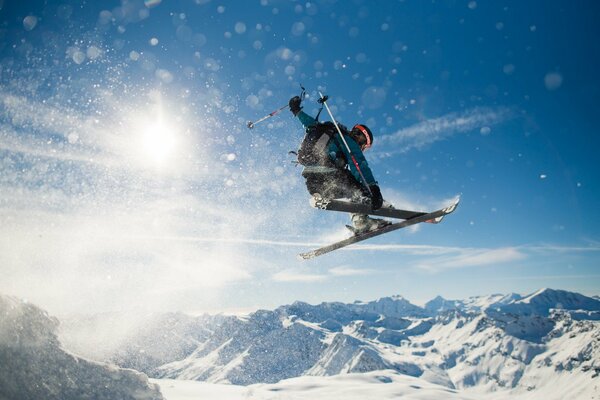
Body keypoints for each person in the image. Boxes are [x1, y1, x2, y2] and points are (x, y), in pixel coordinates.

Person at [289, 95, 390, 234]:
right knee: (359, 189)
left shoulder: (326, 130)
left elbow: (308, 123)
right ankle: (361, 220)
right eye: (364, 145)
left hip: (313, 183)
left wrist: (296, 110)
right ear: (361, 138)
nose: (362, 148)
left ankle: (359, 212)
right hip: (330, 176)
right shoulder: (347, 140)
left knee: (353, 189)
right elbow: (359, 164)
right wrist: (373, 187)